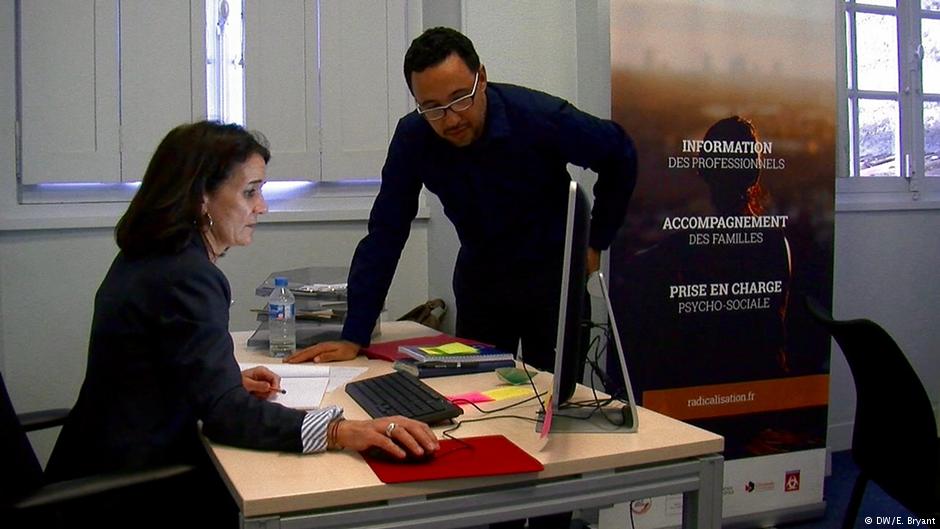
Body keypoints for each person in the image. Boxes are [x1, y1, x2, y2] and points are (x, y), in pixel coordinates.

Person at [287, 26, 637, 529]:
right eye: (432, 107)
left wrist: (596, 241)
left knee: (552, 425)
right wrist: (354, 333)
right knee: (472, 415)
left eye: (460, 99)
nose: (450, 118)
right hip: (483, 281)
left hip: (552, 285)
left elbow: (620, 153)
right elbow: (387, 230)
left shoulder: (540, 116)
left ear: (483, 80)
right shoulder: (413, 138)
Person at [43, 121, 438, 528]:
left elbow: (160, 368)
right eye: (250, 191)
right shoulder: (186, 275)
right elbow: (226, 416)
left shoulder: (151, 255)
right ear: (202, 197)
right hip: (132, 490)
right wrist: (340, 431)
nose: (262, 207)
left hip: (102, 461)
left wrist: (224, 378)